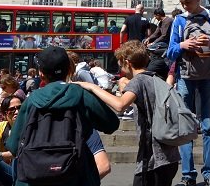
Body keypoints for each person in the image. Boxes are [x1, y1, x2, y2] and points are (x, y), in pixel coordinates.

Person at [7, 46, 119, 186]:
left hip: (33, 176)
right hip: (76, 174)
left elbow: (13, 145)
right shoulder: (81, 94)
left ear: (41, 74)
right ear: (69, 70)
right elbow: (111, 124)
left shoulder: (31, 100)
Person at [77, 40, 179, 186]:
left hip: (153, 159)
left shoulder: (138, 81)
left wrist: (92, 87)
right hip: (169, 156)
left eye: (120, 62)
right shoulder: (155, 78)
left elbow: (120, 105)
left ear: (127, 62)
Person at [166, 0, 210, 186]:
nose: (185, 7)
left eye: (188, 2)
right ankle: (188, 175)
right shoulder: (178, 21)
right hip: (185, 78)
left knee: (209, 126)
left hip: (209, 78)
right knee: (186, 127)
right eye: (182, 3)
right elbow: (169, 53)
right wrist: (182, 45)